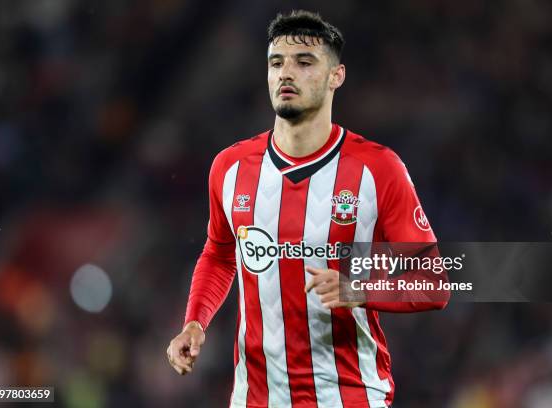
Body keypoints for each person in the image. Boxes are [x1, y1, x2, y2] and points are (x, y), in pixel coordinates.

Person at [167, 10, 449, 408]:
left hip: (349, 397)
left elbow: (434, 281)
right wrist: (195, 322)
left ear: (337, 76)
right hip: (256, 399)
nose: (286, 73)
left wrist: (360, 286)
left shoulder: (378, 168)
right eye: (276, 63)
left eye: (304, 62)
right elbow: (219, 253)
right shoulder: (229, 168)